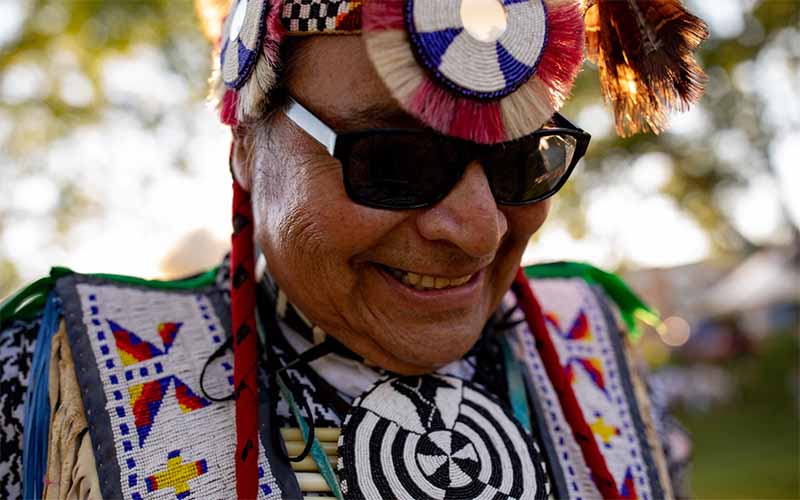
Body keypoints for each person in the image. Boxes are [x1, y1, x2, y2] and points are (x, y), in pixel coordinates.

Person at [1, 0, 706, 498]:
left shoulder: (596, 357)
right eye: (393, 161)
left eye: (525, 160)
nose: (480, 230)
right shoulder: (52, 380)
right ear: (246, 145)